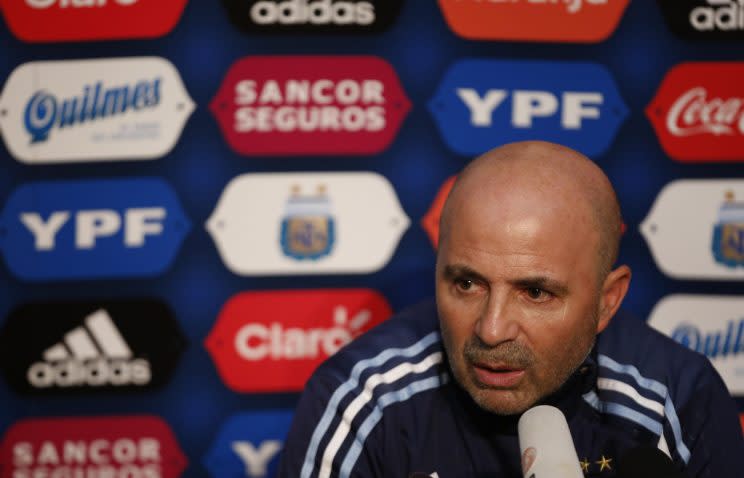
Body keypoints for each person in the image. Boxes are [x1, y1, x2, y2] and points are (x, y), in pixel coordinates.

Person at [277, 141, 743, 478]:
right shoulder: (361, 400)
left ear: (607, 302)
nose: (492, 329)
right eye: (466, 283)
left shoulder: (678, 400)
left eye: (535, 293)